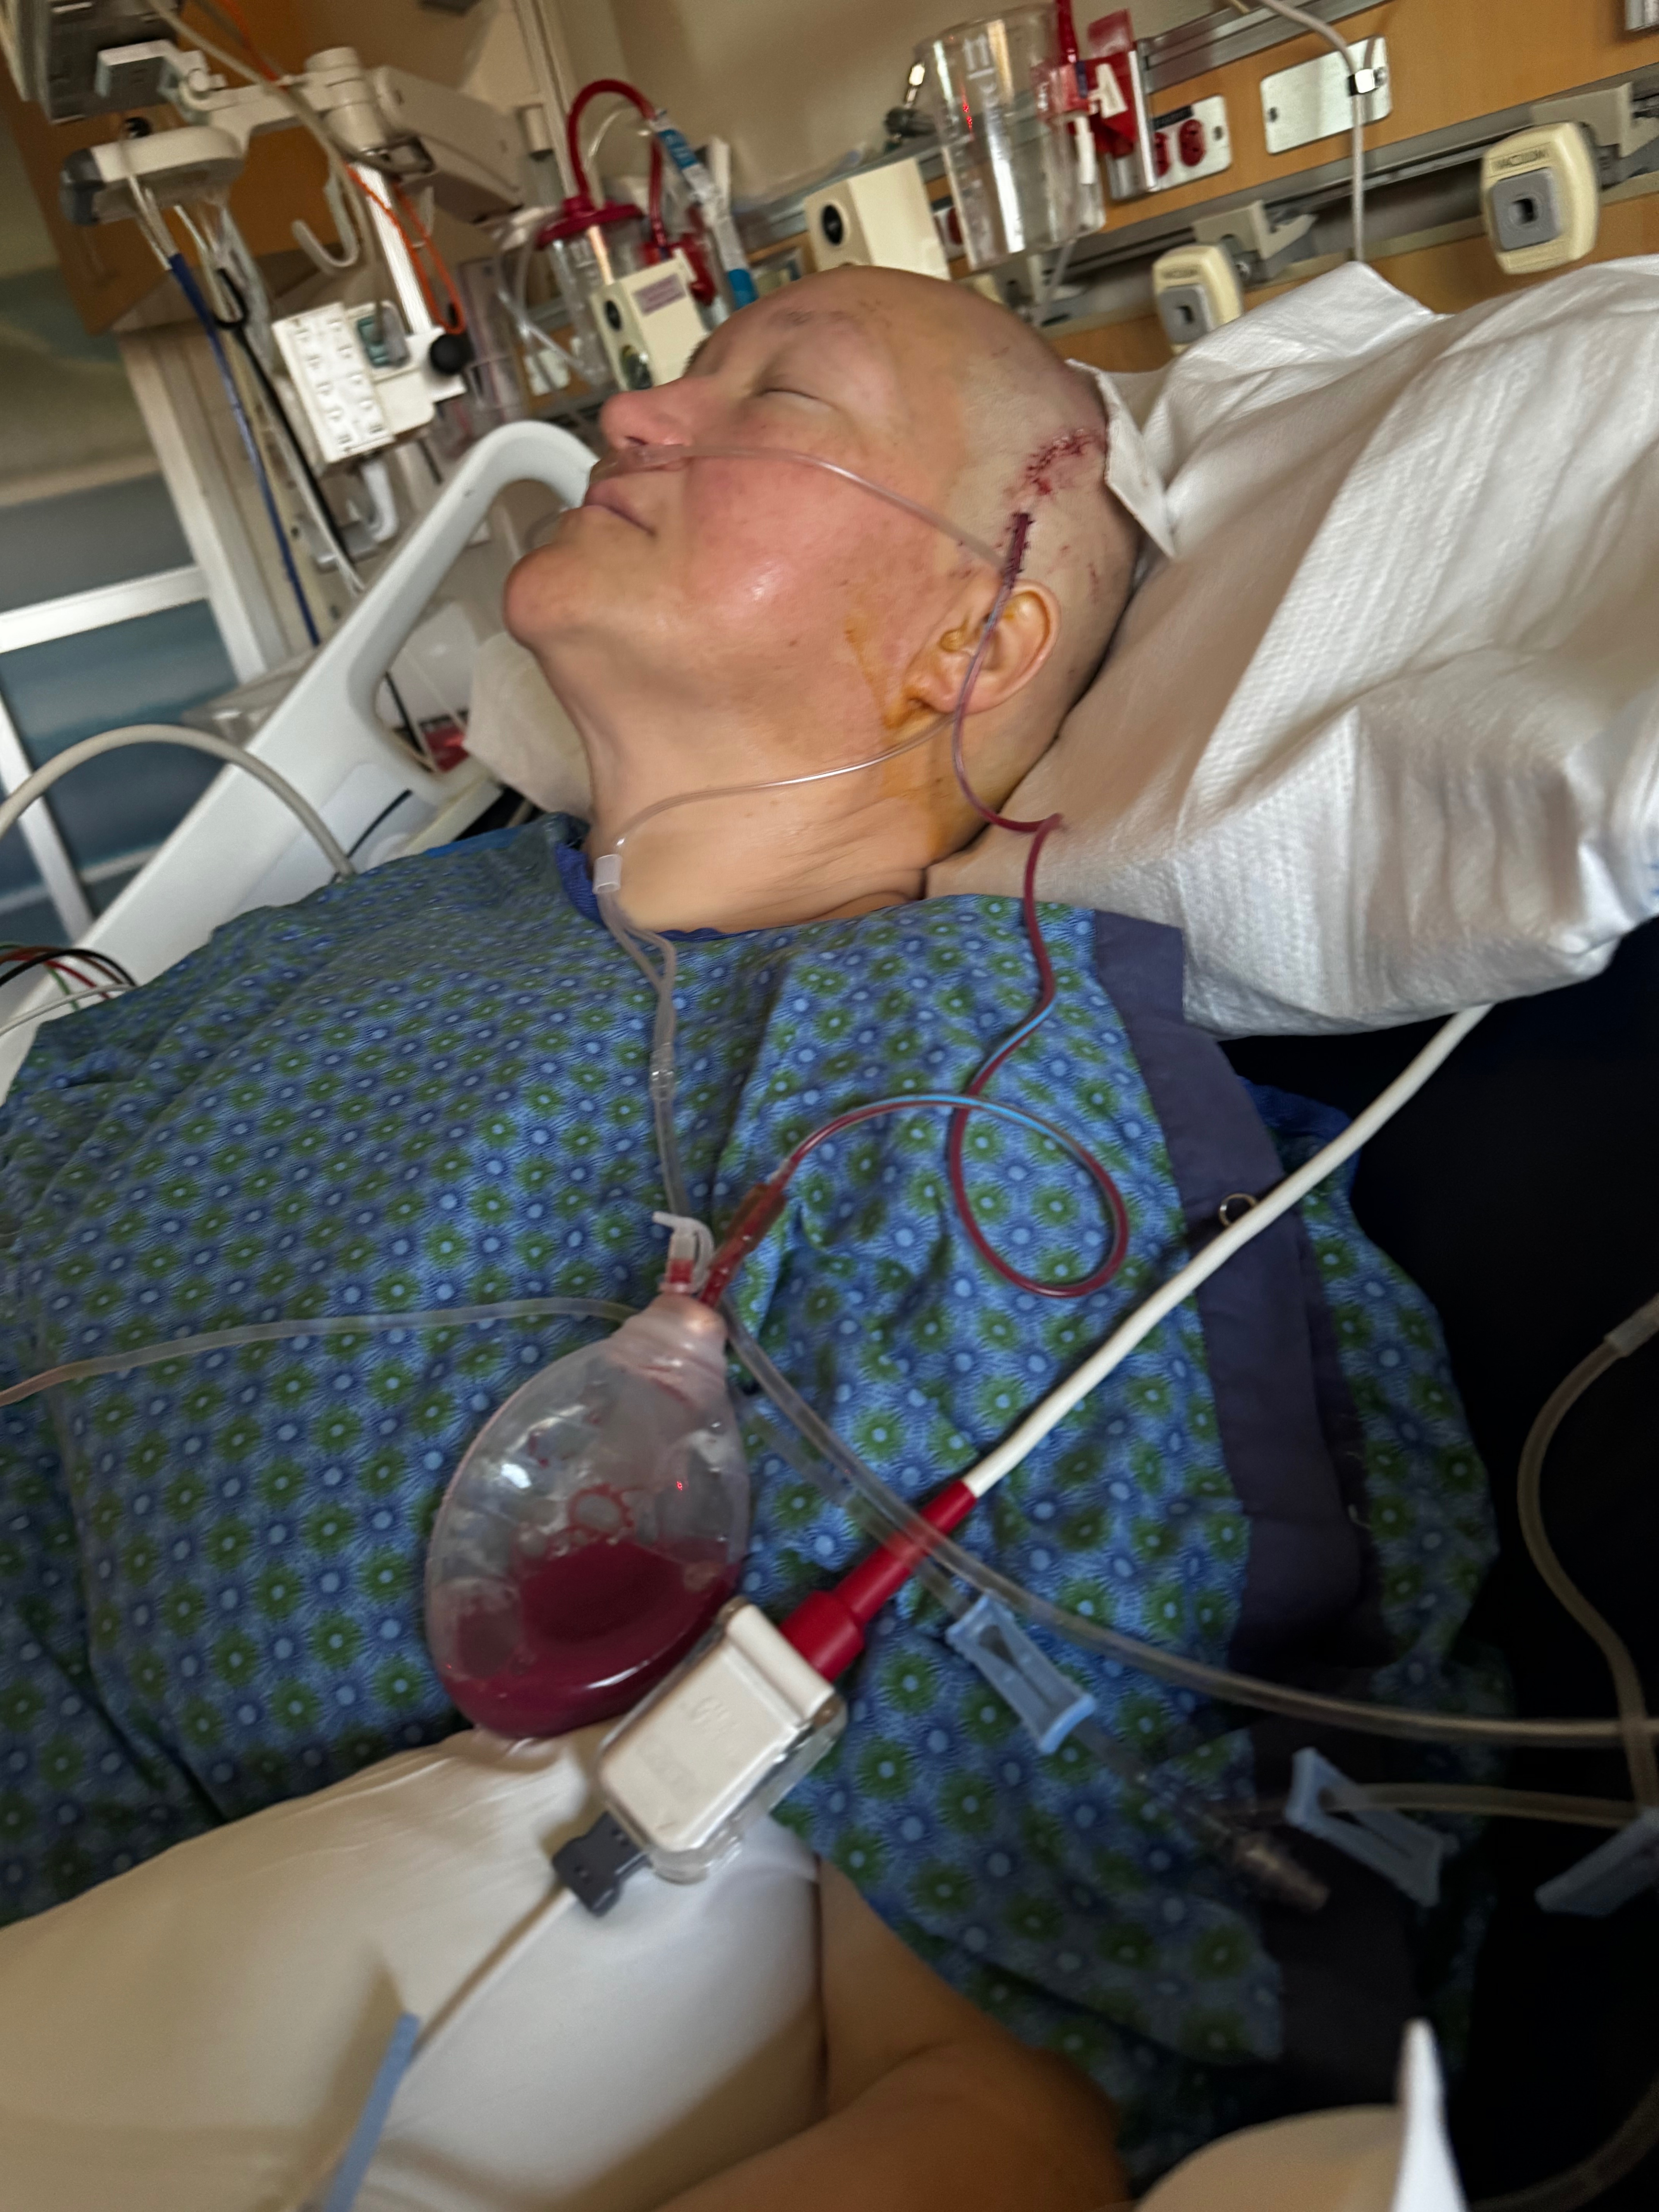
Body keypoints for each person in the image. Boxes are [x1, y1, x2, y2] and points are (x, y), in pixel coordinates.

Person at [0, 269, 1497, 2190]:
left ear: (976, 636)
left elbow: (1006, 2124)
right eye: (681, 374)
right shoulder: (366, 933)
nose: (630, 416)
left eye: (780, 400)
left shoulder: (978, 1115)